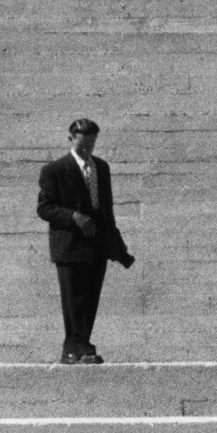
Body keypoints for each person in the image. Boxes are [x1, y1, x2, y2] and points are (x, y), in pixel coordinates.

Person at [37, 117, 134, 364]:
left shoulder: (102, 168)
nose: (87, 149)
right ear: (70, 139)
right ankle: (71, 348)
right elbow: (44, 208)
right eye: (82, 144)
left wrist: (115, 243)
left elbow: (106, 208)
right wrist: (73, 217)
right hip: (69, 246)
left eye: (91, 144)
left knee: (90, 298)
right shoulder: (54, 170)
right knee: (73, 299)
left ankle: (83, 346)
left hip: (97, 245)